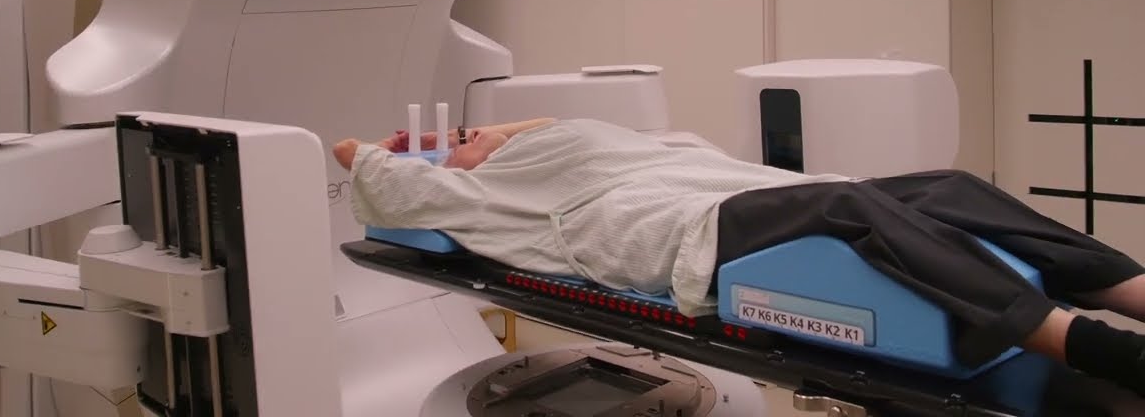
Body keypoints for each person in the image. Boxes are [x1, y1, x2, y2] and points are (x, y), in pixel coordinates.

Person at [332, 117, 1145, 395]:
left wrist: (487, 132)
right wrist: (423, 151)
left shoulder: (555, 136)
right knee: (850, 209)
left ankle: (1132, 289)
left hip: (745, 191)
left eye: (469, 131)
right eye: (457, 141)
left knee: (947, 184)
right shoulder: (473, 194)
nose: (471, 138)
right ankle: (1083, 343)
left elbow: (539, 125)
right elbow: (354, 156)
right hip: (689, 228)